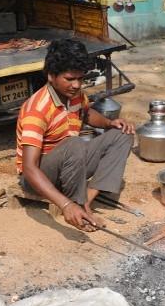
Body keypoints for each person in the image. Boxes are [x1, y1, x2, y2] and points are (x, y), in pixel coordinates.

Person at [16, 39, 135, 231]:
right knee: (74, 143)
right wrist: (65, 205)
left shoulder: (75, 94)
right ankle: (76, 205)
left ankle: (85, 200)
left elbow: (86, 113)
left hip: (72, 164)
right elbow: (29, 169)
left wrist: (110, 123)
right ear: (51, 76)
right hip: (40, 176)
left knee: (123, 134)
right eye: (70, 79)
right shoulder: (37, 110)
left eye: (80, 79)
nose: (76, 85)